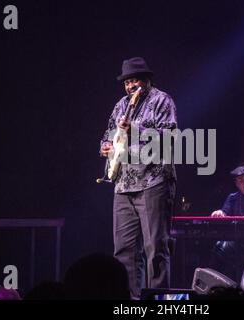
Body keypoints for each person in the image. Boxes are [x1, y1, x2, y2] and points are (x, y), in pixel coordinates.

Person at [99, 57, 177, 299]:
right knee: (124, 250)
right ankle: (130, 301)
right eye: (126, 82)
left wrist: (137, 131)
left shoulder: (161, 100)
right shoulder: (120, 105)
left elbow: (170, 137)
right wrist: (105, 146)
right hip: (123, 185)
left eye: (134, 81)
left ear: (146, 80)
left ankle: (157, 300)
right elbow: (107, 136)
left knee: (155, 247)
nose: (130, 86)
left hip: (153, 182)